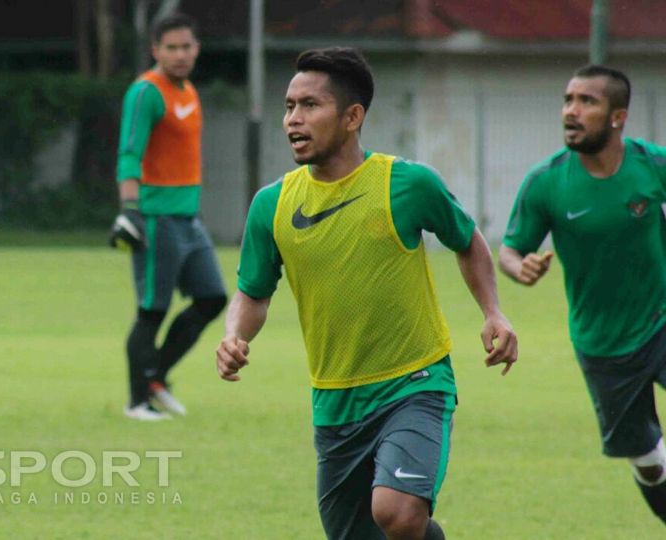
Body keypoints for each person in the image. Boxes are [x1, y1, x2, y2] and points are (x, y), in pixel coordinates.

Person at [216, 47, 518, 540]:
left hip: (414, 383)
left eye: (310, 106)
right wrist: (234, 336)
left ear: (353, 116)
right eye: (289, 106)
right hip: (334, 402)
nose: (293, 119)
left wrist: (494, 313)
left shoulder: (407, 184)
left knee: (397, 513)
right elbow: (253, 292)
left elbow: (467, 241)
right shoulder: (271, 205)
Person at [499, 64, 666, 525]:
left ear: (618, 116)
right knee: (649, 464)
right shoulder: (547, 182)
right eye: (568, 100)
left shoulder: (652, 165)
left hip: (661, 318)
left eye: (586, 101)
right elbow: (509, 251)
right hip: (602, 344)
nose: (570, 111)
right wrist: (521, 267)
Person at [109, 13, 227, 421]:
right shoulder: (145, 92)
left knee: (212, 298)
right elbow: (129, 153)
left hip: (188, 220)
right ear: (155, 50)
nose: (180, 55)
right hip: (156, 219)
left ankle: (155, 377)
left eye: (187, 46)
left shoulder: (189, 90)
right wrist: (130, 211)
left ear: (196, 49)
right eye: (171, 48)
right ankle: (137, 401)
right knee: (152, 310)